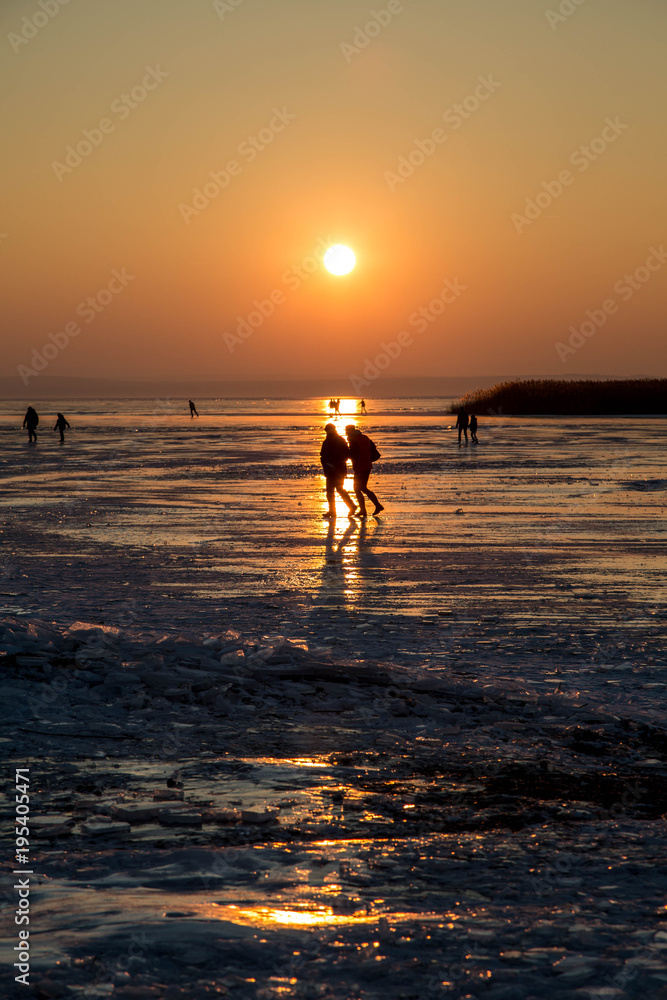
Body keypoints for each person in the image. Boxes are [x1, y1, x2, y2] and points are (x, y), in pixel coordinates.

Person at [345, 424, 384, 517]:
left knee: (358, 489)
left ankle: (370, 508)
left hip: (360, 466)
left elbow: (353, 454)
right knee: (362, 488)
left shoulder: (352, 440)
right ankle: (371, 507)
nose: (345, 432)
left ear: (349, 431)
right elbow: (373, 449)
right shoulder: (365, 437)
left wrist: (346, 455)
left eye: (346, 430)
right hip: (367, 465)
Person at [320, 423, 357, 519]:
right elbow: (323, 455)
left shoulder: (336, 440)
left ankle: (351, 506)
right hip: (333, 470)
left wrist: (335, 464)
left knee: (337, 490)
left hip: (337, 470)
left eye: (328, 430)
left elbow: (345, 455)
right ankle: (334, 510)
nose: (327, 432)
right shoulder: (334, 440)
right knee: (331, 491)